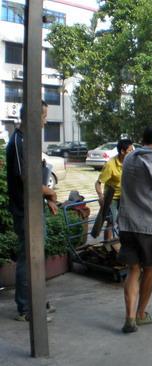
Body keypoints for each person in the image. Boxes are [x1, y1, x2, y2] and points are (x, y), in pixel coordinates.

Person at [6, 101, 58, 321]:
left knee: (36, 256)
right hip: (24, 211)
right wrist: (50, 194)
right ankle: (26, 308)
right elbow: (28, 180)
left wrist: (48, 198)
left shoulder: (29, 141)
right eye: (43, 116)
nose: (45, 121)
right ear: (32, 116)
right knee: (28, 258)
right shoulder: (19, 142)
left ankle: (35, 298)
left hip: (35, 208)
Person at [117, 125, 152, 333]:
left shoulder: (130, 157)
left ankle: (129, 318)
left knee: (133, 269)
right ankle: (140, 314)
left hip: (127, 222)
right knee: (150, 269)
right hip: (150, 225)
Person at [95, 139, 134, 240]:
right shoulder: (110, 165)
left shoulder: (131, 161)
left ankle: (123, 244)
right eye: (130, 150)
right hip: (112, 197)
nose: (132, 152)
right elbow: (98, 183)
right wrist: (100, 196)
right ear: (122, 151)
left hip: (125, 196)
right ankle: (107, 245)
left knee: (124, 221)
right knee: (111, 221)